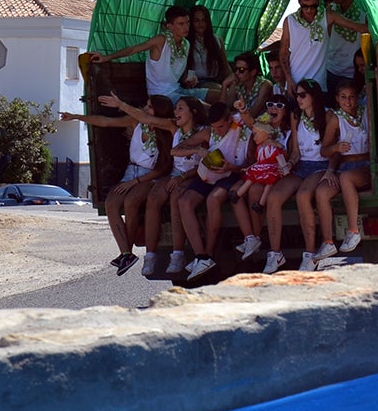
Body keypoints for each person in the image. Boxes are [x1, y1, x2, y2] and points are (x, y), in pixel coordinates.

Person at [60, 95, 174, 275]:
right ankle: (126, 253)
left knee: (131, 201)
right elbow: (105, 122)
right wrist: (76, 116)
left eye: (150, 107)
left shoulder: (167, 128)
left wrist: (134, 182)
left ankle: (127, 253)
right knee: (111, 203)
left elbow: (163, 169)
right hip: (132, 171)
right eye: (146, 104)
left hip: (150, 176)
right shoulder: (135, 123)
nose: (145, 108)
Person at [98, 93, 209, 277]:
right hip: (174, 174)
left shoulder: (204, 131)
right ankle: (149, 256)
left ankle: (178, 254)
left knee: (175, 199)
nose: (176, 111)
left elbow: (201, 164)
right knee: (153, 199)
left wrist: (181, 178)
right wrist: (119, 104)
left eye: (180, 108)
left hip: (193, 174)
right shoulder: (174, 126)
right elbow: (144, 118)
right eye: (175, 108)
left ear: (194, 112)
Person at [295, 78, 368, 270]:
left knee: (346, 178)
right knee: (321, 192)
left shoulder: (365, 113)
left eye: (352, 97)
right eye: (343, 97)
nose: (348, 101)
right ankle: (327, 242)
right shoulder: (336, 119)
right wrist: (336, 147)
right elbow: (324, 151)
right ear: (337, 99)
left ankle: (353, 230)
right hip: (344, 165)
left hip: (364, 166)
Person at [177, 101, 251, 281]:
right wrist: (199, 150)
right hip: (209, 175)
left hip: (232, 175)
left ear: (230, 120)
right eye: (214, 127)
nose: (217, 131)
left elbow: (251, 165)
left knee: (213, 199)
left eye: (221, 126)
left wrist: (231, 168)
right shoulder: (208, 132)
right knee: (184, 202)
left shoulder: (243, 131)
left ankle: (207, 254)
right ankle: (200, 256)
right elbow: (175, 150)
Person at [262, 78, 328, 274]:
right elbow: (296, 152)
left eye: (302, 95)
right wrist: (289, 164)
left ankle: (310, 254)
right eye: (296, 95)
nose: (298, 99)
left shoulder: (326, 116)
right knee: (273, 197)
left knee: (302, 195)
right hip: (301, 166)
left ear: (313, 96)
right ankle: (275, 254)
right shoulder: (295, 117)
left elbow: (329, 149)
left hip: (320, 165)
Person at [89, 5, 217, 102]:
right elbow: (133, 50)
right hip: (161, 96)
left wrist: (189, 80)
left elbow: (180, 75)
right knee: (202, 107)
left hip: (179, 90)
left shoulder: (186, 44)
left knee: (221, 95)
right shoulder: (161, 40)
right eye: (181, 24)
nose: (186, 27)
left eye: (188, 23)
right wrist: (107, 57)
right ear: (170, 26)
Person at [275, 0, 368, 95]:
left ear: (318, 0)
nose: (309, 10)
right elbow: (283, 53)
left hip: (318, 88)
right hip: (295, 86)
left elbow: (359, 27)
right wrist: (288, 79)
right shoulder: (289, 21)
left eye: (313, 6)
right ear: (299, 1)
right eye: (305, 6)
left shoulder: (328, 16)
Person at [231, 117, 286, 213]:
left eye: (256, 134)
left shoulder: (272, 148)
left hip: (271, 168)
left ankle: (261, 203)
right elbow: (258, 161)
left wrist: (284, 168)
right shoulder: (259, 148)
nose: (254, 138)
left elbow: (280, 157)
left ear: (265, 133)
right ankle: (238, 194)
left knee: (270, 183)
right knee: (250, 178)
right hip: (261, 166)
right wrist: (249, 168)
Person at [324, 0, 367, 95]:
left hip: (353, 73)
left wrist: (340, 20)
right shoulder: (330, 9)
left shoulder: (363, 10)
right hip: (331, 69)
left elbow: (368, 30)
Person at [219, 51, 274, 116]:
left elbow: (253, 114)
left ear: (253, 72)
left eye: (241, 70)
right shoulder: (237, 84)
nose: (236, 73)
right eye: (235, 69)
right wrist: (224, 84)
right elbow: (223, 110)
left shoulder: (264, 85)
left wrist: (233, 114)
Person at [185, 5, 228, 85]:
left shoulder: (217, 40)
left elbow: (225, 66)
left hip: (214, 81)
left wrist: (233, 81)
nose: (200, 24)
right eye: (196, 20)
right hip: (194, 83)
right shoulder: (186, 42)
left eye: (203, 20)